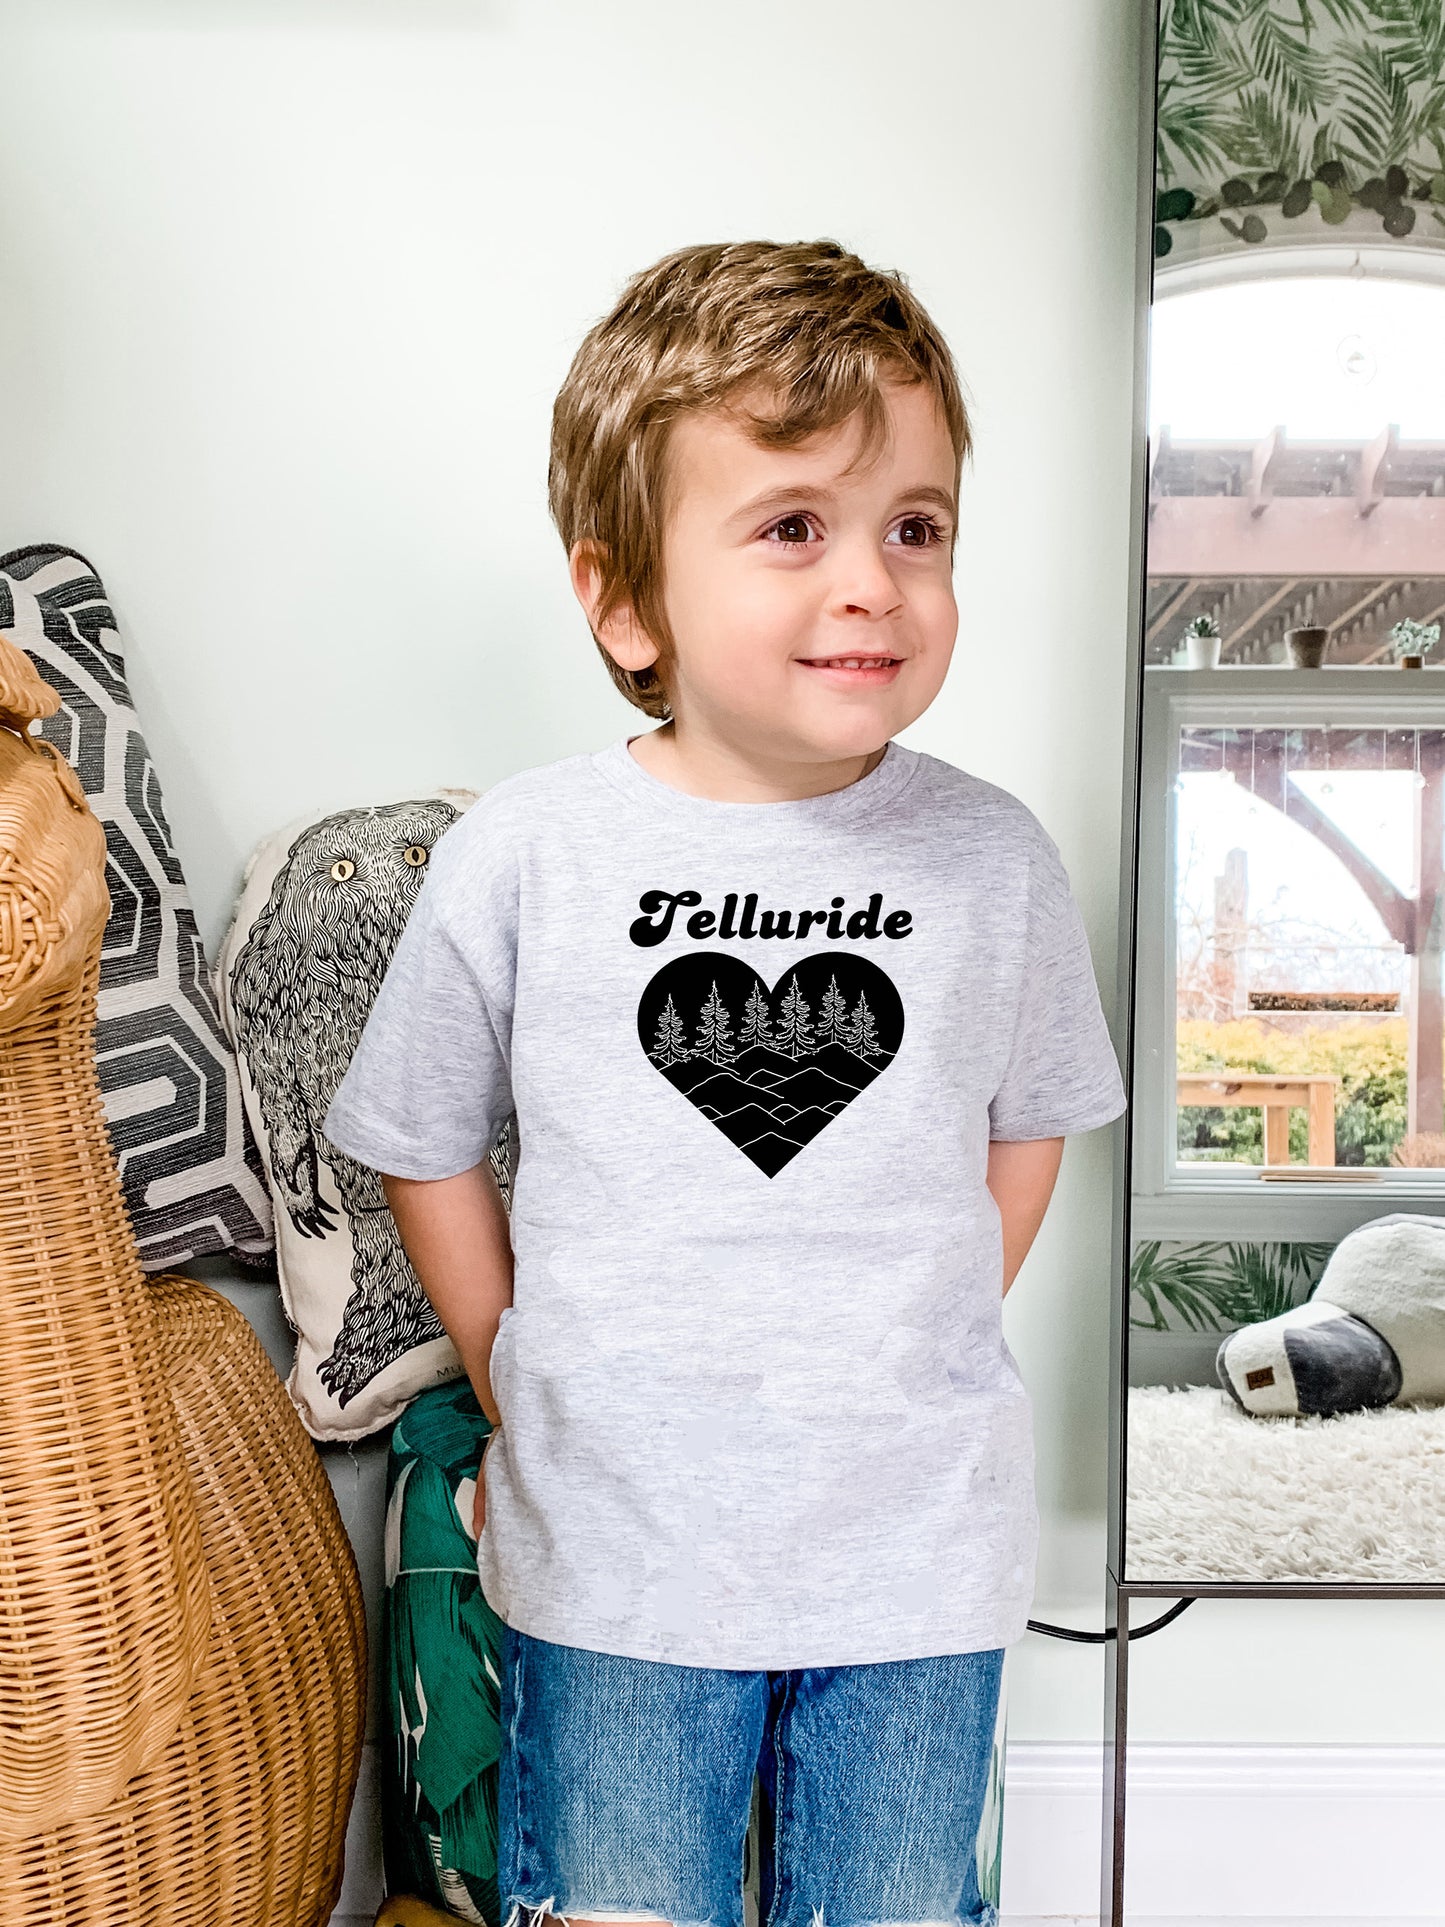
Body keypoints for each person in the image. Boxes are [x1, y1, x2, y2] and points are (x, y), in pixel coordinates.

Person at [324, 238, 1126, 1927]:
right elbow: (417, 1136)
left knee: (898, 1911)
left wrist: (921, 1305)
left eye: (914, 525)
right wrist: (507, 1355)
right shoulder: (530, 851)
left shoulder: (991, 858)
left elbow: (1030, 1114)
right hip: (613, 1550)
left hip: (912, 1557)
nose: (873, 584)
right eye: (791, 528)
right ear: (622, 599)